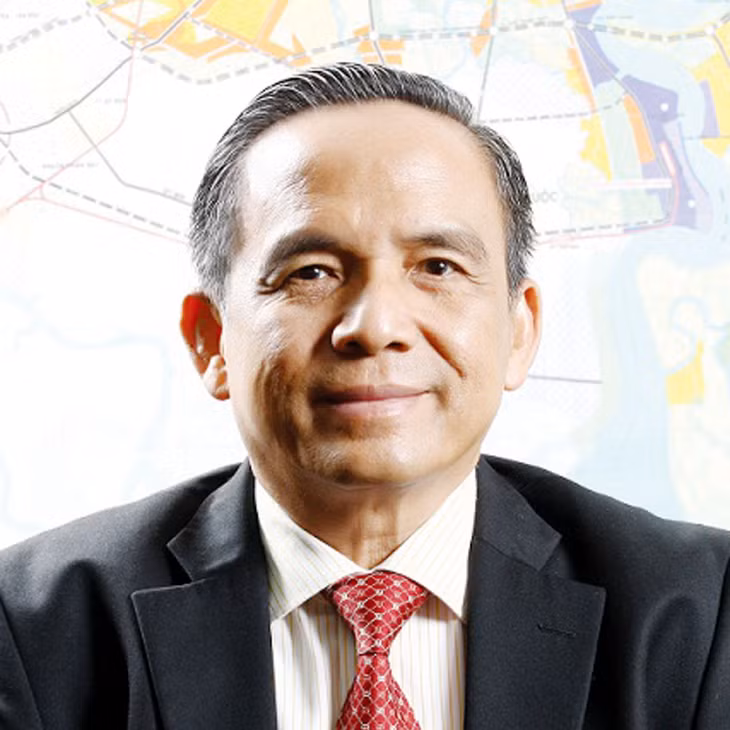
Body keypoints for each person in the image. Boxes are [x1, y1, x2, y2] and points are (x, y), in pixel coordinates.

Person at [0, 62, 728, 730]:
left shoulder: (698, 615)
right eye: (311, 272)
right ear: (211, 340)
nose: (376, 327)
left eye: (437, 267)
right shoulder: (33, 630)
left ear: (520, 331)